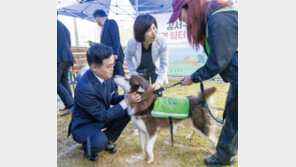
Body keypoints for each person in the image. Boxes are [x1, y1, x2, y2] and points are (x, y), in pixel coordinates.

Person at [169, 0, 238, 166]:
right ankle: (226, 154)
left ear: (189, 7)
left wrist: (193, 78)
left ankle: (224, 156)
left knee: (234, 116)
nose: (180, 20)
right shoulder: (213, 17)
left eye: (180, 15)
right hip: (237, 77)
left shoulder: (219, 19)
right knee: (231, 114)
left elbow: (217, 62)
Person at [68, 43, 141, 162]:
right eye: (109, 66)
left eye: (113, 64)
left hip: (100, 116)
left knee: (129, 108)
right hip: (86, 123)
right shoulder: (85, 88)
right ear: (94, 67)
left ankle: (108, 139)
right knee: (99, 142)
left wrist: (128, 96)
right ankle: (90, 146)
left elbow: (113, 97)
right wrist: (127, 100)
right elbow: (104, 116)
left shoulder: (107, 75)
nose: (112, 69)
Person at [125, 14, 169, 92]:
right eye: (149, 30)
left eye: (154, 28)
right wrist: (133, 72)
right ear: (140, 32)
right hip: (140, 71)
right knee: (140, 94)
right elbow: (128, 59)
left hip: (155, 70)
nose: (154, 32)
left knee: (157, 93)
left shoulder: (161, 41)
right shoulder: (132, 43)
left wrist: (158, 82)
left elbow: (164, 64)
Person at [88, 9, 125, 78]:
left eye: (95, 19)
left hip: (115, 56)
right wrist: (95, 44)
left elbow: (116, 38)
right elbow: (105, 45)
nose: (95, 21)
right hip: (108, 57)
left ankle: (128, 89)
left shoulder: (111, 22)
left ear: (97, 16)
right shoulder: (103, 27)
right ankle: (115, 89)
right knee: (112, 77)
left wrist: (115, 53)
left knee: (120, 76)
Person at [57, 19, 75, 117]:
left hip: (59, 57)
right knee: (64, 81)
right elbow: (69, 42)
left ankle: (71, 104)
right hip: (67, 56)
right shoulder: (63, 26)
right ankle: (72, 105)